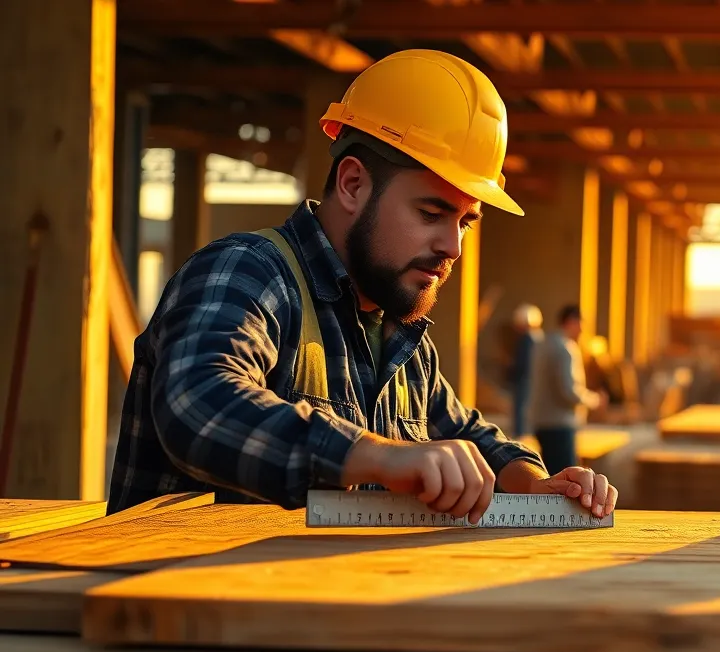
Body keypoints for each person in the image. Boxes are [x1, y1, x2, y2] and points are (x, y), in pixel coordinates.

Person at [108, 50, 618, 522]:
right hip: (167, 611)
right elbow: (197, 403)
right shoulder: (248, 272)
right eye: (431, 213)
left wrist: (533, 484)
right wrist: (374, 456)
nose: (452, 246)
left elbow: (465, 433)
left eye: (465, 222)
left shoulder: (401, 341)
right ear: (353, 185)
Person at [529, 304, 605, 474]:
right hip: (560, 425)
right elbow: (569, 391)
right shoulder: (565, 349)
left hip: (542, 423)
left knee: (549, 477)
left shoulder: (543, 345)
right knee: (566, 481)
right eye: (581, 325)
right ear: (571, 322)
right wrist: (595, 400)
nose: (582, 331)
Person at [509, 303, 543, 438]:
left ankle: (521, 435)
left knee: (521, 410)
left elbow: (522, 362)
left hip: (525, 379)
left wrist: (512, 373)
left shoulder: (528, 340)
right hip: (530, 379)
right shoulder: (538, 338)